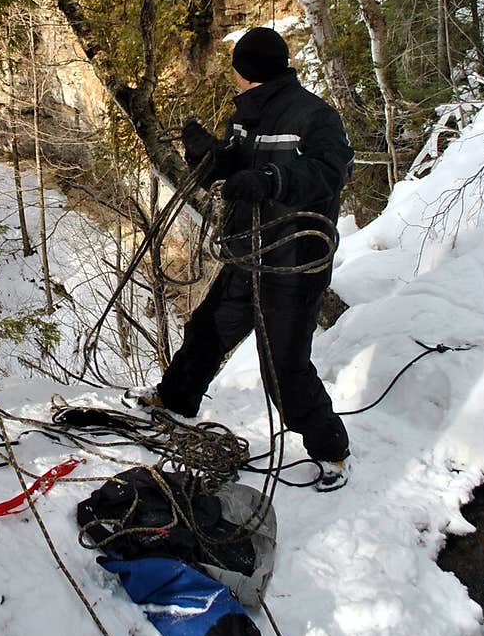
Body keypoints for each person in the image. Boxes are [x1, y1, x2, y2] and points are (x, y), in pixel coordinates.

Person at [142, 27, 354, 492]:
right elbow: (239, 165)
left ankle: (331, 451)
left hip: (293, 262)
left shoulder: (315, 116)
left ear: (245, 71)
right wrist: (210, 156)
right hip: (248, 253)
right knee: (206, 329)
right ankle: (173, 403)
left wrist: (272, 179)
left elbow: (330, 172)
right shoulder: (249, 114)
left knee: (283, 366)